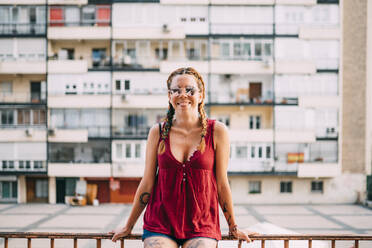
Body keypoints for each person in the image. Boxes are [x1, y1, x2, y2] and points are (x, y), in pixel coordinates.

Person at [110, 67, 258, 247]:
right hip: (160, 223)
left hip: (202, 224)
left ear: (201, 95)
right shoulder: (157, 132)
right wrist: (128, 226)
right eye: (176, 90)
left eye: (189, 90)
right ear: (169, 95)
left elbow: (221, 183)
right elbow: (147, 182)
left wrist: (233, 227)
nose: (182, 95)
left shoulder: (217, 131)